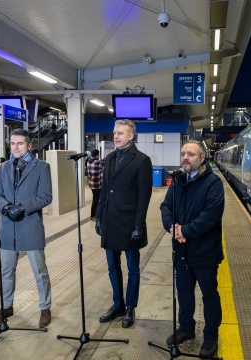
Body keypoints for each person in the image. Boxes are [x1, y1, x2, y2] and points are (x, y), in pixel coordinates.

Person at [160, 140, 225, 358]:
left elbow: (211, 216)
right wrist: (172, 226)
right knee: (184, 293)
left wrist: (184, 231)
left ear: (202, 158)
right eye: (183, 154)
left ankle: (210, 335)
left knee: (209, 295)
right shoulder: (178, 181)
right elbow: (165, 206)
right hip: (181, 251)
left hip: (205, 251)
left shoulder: (213, 183)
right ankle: (186, 329)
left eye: (191, 154)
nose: (185, 157)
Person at [0, 128, 54, 328]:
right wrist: (6, 207)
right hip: (8, 228)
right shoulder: (4, 167)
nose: (15, 147)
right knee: (6, 271)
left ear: (29, 145)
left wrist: (22, 208)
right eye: (13, 143)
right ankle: (6, 307)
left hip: (29, 226)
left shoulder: (42, 167)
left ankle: (45, 307)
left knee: (39, 271)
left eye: (20, 144)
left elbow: (46, 196)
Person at [95, 119, 152, 328]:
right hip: (110, 220)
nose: (116, 136)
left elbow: (143, 197)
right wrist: (99, 216)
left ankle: (130, 307)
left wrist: (139, 225)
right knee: (112, 267)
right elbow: (104, 190)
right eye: (114, 133)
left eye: (120, 133)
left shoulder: (142, 160)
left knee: (133, 268)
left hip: (129, 223)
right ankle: (117, 304)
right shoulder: (109, 158)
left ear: (131, 136)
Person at [86, 149, 104, 221]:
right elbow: (104, 162)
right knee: (97, 200)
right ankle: (94, 216)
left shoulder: (88, 162)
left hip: (91, 184)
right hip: (97, 185)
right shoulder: (99, 162)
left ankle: (94, 215)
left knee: (95, 199)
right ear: (97, 155)